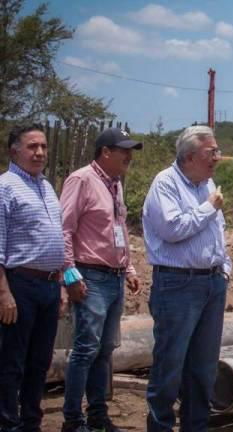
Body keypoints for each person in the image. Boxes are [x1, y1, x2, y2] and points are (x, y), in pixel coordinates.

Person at [142, 126, 232, 431]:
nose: (217, 158)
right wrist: (209, 207)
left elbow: (218, 234)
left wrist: (224, 269)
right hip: (177, 286)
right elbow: (172, 229)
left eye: (217, 151)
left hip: (211, 284)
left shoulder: (207, 184)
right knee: (169, 367)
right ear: (190, 156)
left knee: (203, 369)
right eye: (212, 152)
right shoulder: (165, 183)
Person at [59, 128, 143, 432]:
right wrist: (70, 273)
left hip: (115, 277)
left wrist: (129, 269)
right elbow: (64, 228)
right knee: (85, 349)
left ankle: (97, 415)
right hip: (90, 275)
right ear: (105, 152)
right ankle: (72, 419)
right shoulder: (81, 180)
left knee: (105, 350)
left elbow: (118, 229)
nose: (129, 156)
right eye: (123, 151)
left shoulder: (115, 185)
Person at [0, 123, 67, 432]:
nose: (40, 152)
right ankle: (7, 422)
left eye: (43, 146)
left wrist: (62, 284)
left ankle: (31, 422)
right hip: (20, 285)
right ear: (15, 151)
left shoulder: (46, 186)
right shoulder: (5, 187)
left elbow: (56, 240)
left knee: (39, 361)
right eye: (32, 147)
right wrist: (4, 293)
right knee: (12, 360)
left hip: (49, 286)